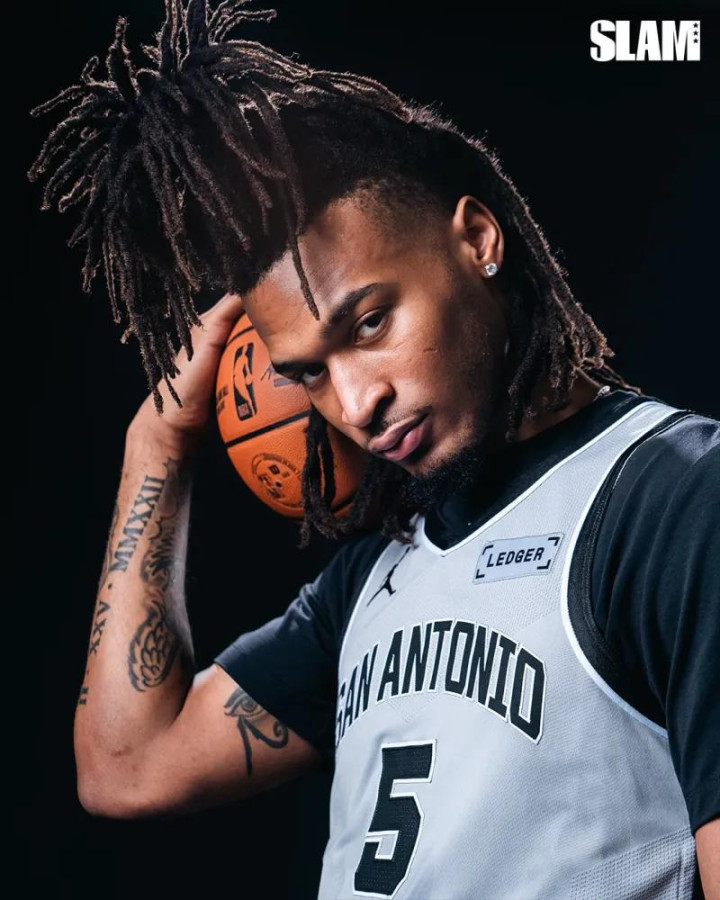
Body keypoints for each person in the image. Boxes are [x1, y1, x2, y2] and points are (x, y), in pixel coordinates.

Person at [27, 1, 718, 897]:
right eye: (309, 372)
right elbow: (125, 768)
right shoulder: (375, 579)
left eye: (370, 323)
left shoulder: (675, 502)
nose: (355, 404)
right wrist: (157, 439)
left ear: (477, 239)